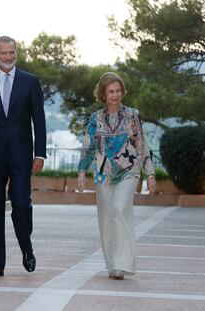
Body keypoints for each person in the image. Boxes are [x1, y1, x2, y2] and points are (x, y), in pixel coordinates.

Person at [0, 36, 47, 277]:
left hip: (21, 154)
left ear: (16, 53)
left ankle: (27, 249)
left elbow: (39, 120)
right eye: (3, 53)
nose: (8, 57)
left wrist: (40, 153)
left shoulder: (30, 82)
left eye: (12, 52)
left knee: (21, 204)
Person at [77, 72, 156, 280]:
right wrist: (81, 171)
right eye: (111, 91)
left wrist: (150, 173)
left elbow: (141, 144)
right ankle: (112, 264)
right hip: (103, 171)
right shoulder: (96, 118)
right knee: (106, 216)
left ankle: (123, 263)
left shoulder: (132, 115)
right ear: (103, 94)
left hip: (129, 168)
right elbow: (89, 146)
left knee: (120, 209)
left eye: (118, 90)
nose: (115, 94)